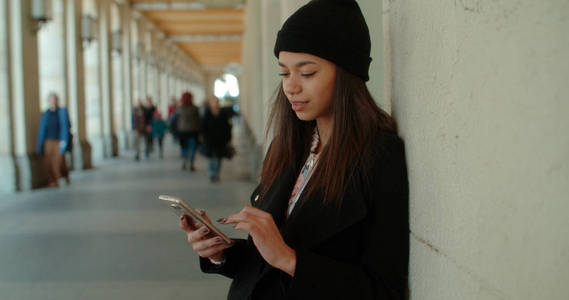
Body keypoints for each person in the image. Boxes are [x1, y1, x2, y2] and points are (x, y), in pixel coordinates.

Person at [179, 0, 409, 298]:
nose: (291, 87)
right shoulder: (291, 145)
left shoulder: (378, 155)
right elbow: (266, 263)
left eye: (307, 73)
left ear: (347, 74)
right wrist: (220, 252)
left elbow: (383, 290)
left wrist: (289, 259)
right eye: (284, 73)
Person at [37, 92, 71, 187]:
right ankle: (53, 180)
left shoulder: (62, 112)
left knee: (58, 161)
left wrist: (64, 140)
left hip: (58, 140)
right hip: (48, 141)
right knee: (48, 162)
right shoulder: (45, 114)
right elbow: (42, 129)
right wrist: (40, 144)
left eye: (54, 99)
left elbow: (66, 126)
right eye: (51, 99)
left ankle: (61, 176)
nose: (53, 101)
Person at [200, 96, 233, 182]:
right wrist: (203, 136)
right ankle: (211, 173)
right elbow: (203, 126)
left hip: (221, 139)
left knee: (219, 157)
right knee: (210, 157)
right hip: (209, 139)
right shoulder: (207, 113)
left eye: (216, 102)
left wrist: (229, 138)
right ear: (210, 103)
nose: (215, 103)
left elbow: (228, 127)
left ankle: (217, 173)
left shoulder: (223, 112)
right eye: (213, 102)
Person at [176, 92, 201, 170]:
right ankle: (191, 163)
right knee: (192, 148)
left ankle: (184, 161)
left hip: (182, 131)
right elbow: (199, 120)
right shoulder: (195, 108)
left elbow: (175, 121)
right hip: (193, 131)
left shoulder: (179, 109)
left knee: (184, 148)